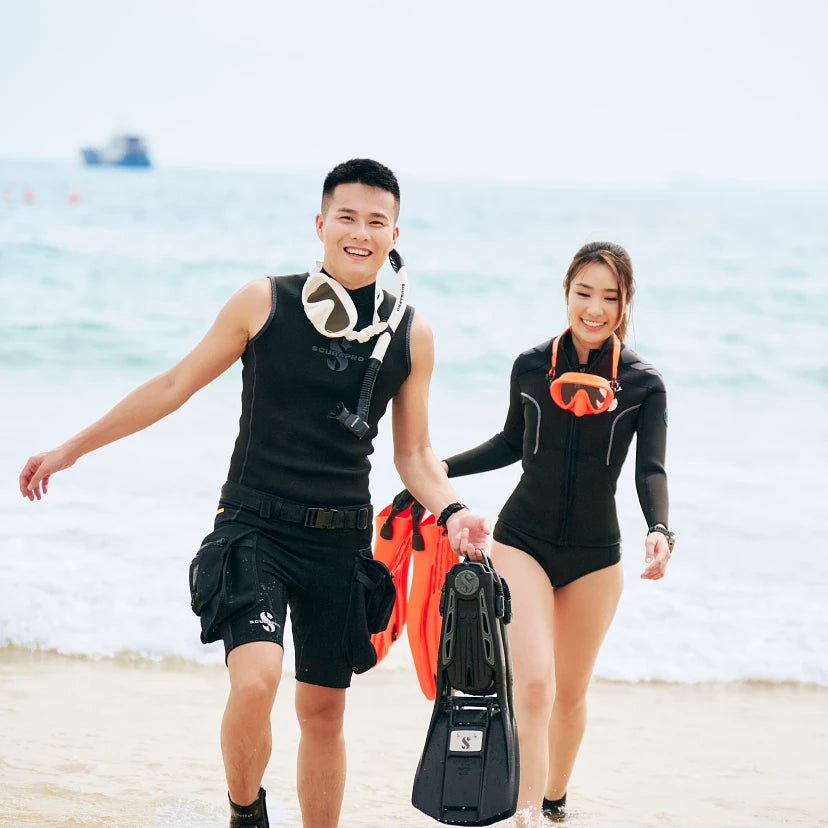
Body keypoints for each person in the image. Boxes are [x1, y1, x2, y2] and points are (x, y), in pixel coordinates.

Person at [18, 158, 491, 828]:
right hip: (253, 526)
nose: (359, 233)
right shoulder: (263, 301)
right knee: (256, 680)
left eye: (375, 221)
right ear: (321, 223)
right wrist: (71, 449)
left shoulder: (411, 333)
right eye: (346, 217)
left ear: (394, 234)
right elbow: (173, 385)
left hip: (339, 540)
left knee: (323, 712)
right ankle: (247, 814)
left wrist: (454, 511)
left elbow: (413, 455)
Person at [440, 241, 673, 824]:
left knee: (569, 694)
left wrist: (660, 529)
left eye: (609, 297)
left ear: (625, 303)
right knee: (535, 686)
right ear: (566, 292)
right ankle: (523, 814)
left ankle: (553, 805)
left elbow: (650, 470)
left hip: (596, 556)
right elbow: (508, 443)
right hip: (523, 542)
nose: (594, 308)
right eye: (584, 293)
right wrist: (436, 473)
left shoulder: (644, 385)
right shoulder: (530, 366)